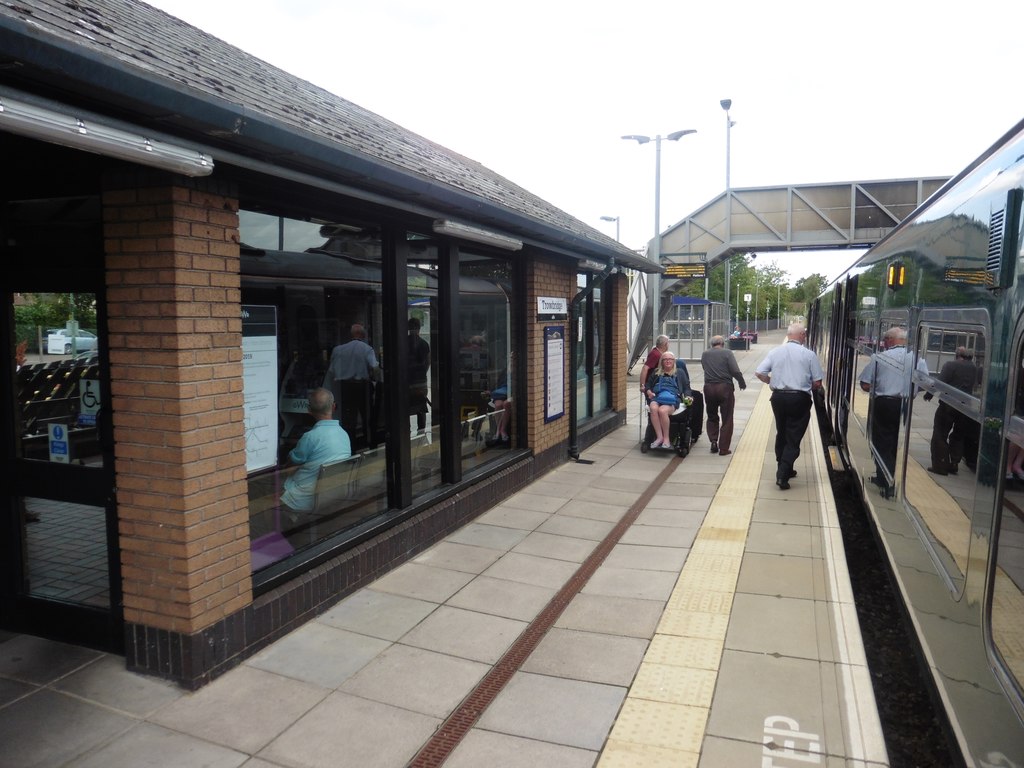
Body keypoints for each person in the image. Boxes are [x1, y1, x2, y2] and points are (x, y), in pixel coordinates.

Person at [857, 326, 928, 494]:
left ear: (889, 341)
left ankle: (887, 481)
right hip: (904, 404)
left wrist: (881, 385)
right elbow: (927, 383)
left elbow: (865, 384)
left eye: (884, 341)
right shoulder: (918, 359)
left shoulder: (879, 357)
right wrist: (911, 389)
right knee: (896, 441)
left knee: (881, 442)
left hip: (884, 404)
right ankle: (884, 477)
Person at [755, 322, 824, 490]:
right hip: (799, 399)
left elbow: (759, 372)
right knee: (793, 437)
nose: (805, 337)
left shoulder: (775, 352)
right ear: (801, 336)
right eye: (804, 335)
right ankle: (783, 474)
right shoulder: (809, 354)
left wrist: (772, 381)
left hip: (778, 399)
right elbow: (817, 383)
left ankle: (784, 466)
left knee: (782, 433)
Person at [280, 387, 352, 517]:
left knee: (269, 492)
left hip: (305, 497)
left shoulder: (310, 437)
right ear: (334, 406)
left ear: (309, 410)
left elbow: (292, 462)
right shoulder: (344, 434)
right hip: (336, 492)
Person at [924, 346, 977, 475]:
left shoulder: (950, 365)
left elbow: (939, 383)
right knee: (958, 436)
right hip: (965, 406)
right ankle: (954, 463)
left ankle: (940, 465)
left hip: (948, 404)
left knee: (940, 433)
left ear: (957, 355)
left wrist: (929, 394)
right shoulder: (974, 368)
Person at [324, 323, 379, 446]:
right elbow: (375, 367)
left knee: (349, 420)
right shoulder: (367, 349)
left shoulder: (338, 350)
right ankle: (371, 444)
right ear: (362, 335)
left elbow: (332, 371)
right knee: (367, 417)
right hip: (362, 387)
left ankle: (351, 448)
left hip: (345, 387)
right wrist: (376, 379)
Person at [701, 335, 746, 456]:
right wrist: (742, 382)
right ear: (722, 343)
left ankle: (713, 441)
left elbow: (705, 368)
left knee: (711, 415)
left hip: (709, 387)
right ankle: (724, 448)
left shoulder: (705, 354)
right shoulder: (727, 353)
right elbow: (735, 370)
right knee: (727, 418)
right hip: (724, 388)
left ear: (712, 344)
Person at [644, 352, 683, 449]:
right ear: (661, 361)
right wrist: (648, 391)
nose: (668, 361)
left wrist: (689, 396)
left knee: (662, 410)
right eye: (665, 359)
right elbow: (648, 385)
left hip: (672, 398)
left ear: (674, 361)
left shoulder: (679, 373)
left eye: (670, 359)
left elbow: (686, 387)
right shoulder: (656, 372)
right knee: (653, 408)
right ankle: (659, 437)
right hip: (657, 396)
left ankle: (667, 439)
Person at [408, 317, 431, 433]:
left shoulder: (403, 343)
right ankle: (421, 432)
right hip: (421, 381)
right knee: (421, 407)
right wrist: (422, 373)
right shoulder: (424, 344)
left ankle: (406, 431)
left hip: (407, 382)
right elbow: (428, 362)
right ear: (419, 328)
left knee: (406, 406)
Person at [484, 367, 512, 447]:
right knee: (498, 405)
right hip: (502, 392)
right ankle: (498, 430)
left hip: (512, 392)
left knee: (506, 404)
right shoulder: (504, 371)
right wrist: (491, 390)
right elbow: (497, 383)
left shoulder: (518, 370)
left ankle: (503, 430)